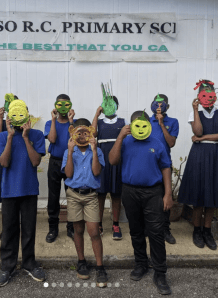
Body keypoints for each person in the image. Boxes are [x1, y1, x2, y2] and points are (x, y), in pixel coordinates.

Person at [109, 110, 173, 295]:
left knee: (156, 232)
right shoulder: (126, 141)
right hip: (130, 191)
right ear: (130, 125)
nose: (140, 126)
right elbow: (112, 160)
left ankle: (160, 273)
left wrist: (168, 193)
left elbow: (166, 167)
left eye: (143, 123)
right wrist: (120, 137)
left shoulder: (156, 142)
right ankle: (141, 264)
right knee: (136, 231)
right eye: (135, 123)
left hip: (153, 192)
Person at [0, 100, 46, 287]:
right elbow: (4, 163)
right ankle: (7, 266)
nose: (17, 119)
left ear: (27, 115)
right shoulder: (1, 137)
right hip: (9, 191)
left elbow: (35, 162)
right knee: (8, 230)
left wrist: (25, 137)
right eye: (13, 115)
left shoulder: (37, 135)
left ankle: (29, 263)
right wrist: (9, 137)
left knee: (29, 229)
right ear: (9, 117)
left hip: (29, 189)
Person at [178, 80, 218, 251]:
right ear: (199, 97)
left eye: (211, 94)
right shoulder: (194, 112)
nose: (208, 97)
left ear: (215, 95)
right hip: (199, 156)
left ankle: (208, 232)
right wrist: (195, 110)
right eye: (204, 94)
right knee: (199, 196)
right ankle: (197, 231)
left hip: (215, 155)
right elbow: (198, 131)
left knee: (213, 195)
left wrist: (203, 139)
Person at [62, 119, 108, 288]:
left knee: (94, 231)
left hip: (90, 196)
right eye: (78, 133)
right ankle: (81, 261)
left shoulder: (97, 151)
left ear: (91, 132)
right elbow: (68, 174)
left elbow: (96, 171)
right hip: (74, 195)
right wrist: (69, 152)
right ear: (73, 133)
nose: (82, 136)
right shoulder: (70, 151)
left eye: (85, 133)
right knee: (78, 230)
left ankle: (100, 266)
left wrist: (94, 150)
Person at [91, 96, 127, 240]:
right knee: (100, 195)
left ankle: (116, 224)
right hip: (101, 161)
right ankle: (99, 224)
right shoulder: (99, 122)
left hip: (117, 161)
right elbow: (92, 134)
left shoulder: (122, 122)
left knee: (116, 195)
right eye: (105, 104)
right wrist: (96, 113)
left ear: (117, 106)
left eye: (112, 104)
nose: (109, 107)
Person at [44, 94, 75, 243]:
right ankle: (53, 228)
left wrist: (71, 121)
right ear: (55, 106)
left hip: (70, 161)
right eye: (59, 105)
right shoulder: (50, 123)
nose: (63, 108)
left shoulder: (73, 123)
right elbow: (52, 139)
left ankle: (71, 227)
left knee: (72, 195)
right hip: (55, 162)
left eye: (66, 105)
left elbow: (75, 139)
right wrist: (54, 119)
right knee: (53, 196)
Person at [150, 94, 179, 244]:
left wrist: (161, 124)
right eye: (157, 104)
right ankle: (149, 229)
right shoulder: (146, 122)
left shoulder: (173, 122)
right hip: (148, 164)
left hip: (164, 165)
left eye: (162, 104)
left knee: (165, 198)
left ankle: (165, 230)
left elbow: (171, 143)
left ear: (167, 106)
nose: (159, 107)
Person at [0, 95, 18, 204]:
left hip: (16, 154)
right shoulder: (2, 119)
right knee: (1, 183)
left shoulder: (21, 118)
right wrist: (1, 118)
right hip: (3, 154)